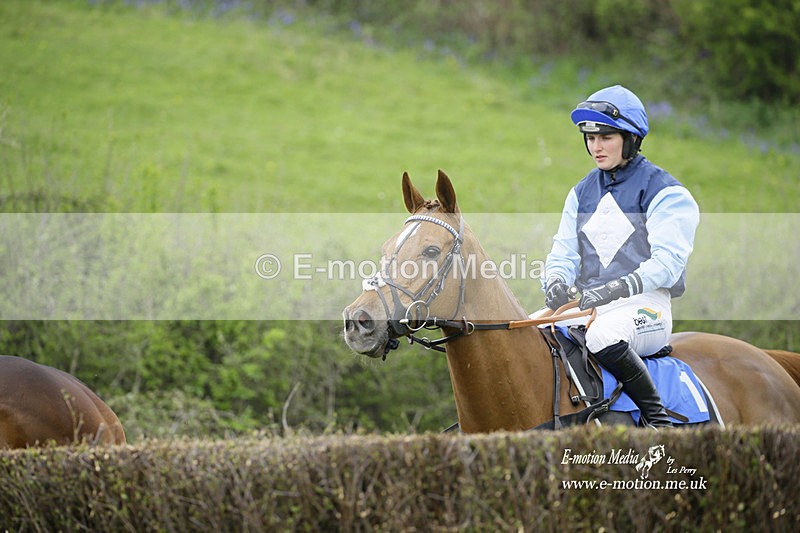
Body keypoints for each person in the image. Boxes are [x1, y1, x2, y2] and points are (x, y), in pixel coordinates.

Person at [543, 85, 699, 428]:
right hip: (590, 305)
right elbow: (563, 252)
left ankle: (659, 422)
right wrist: (555, 281)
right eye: (589, 138)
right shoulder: (581, 192)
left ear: (630, 138)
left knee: (603, 337)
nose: (595, 146)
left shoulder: (667, 192)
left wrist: (615, 289)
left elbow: (668, 264)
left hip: (646, 307)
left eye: (606, 137)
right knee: (528, 331)